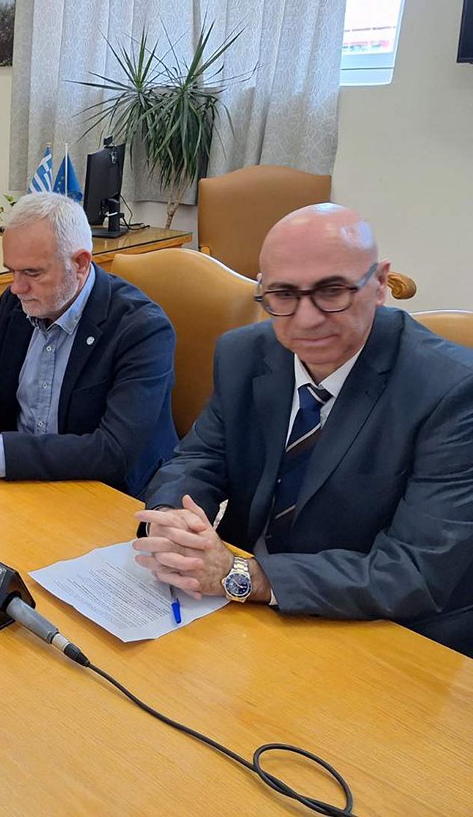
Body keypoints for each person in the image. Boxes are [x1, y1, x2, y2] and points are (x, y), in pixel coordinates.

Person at [134, 204, 473, 656]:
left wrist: (245, 576)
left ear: (379, 283)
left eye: (332, 291)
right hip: (246, 616)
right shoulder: (244, 354)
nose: (307, 319)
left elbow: (414, 571)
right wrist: (173, 520)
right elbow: (200, 458)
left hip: (382, 633)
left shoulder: (452, 391)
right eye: (283, 294)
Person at [0, 191, 178, 494]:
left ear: (80, 263)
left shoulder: (142, 330)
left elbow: (113, 451)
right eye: (12, 271)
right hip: (20, 483)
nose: (17, 287)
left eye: (32, 272)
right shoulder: (17, 304)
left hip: (104, 494)